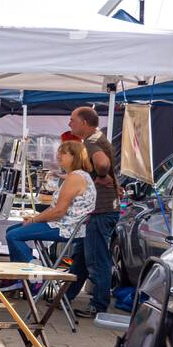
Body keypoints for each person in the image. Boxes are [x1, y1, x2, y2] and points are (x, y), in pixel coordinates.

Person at [5, 141, 97, 285]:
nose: (58, 155)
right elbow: (55, 208)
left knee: (13, 235)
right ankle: (20, 276)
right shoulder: (76, 176)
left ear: (75, 156)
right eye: (58, 152)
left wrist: (35, 220)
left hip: (66, 228)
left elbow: (58, 212)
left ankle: (35, 278)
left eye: (63, 153)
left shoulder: (76, 177)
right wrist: (35, 218)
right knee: (12, 230)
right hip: (63, 224)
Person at [66, 107, 119, 318]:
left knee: (96, 259)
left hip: (101, 209)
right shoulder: (96, 138)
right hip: (99, 209)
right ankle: (67, 295)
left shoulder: (91, 141)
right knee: (81, 256)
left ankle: (98, 305)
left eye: (72, 120)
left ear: (85, 123)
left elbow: (103, 163)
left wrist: (100, 175)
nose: (70, 124)